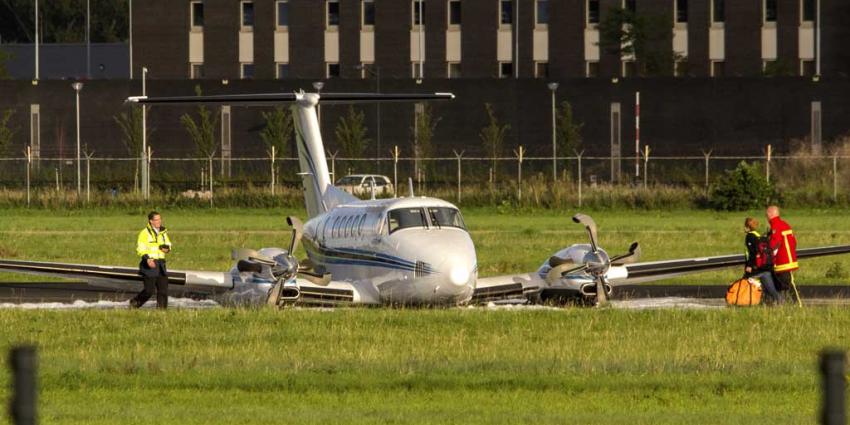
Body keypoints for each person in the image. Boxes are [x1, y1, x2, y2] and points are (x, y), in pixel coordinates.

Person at [131, 211, 172, 309]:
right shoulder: (144, 233)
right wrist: (147, 259)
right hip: (149, 264)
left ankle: (161, 312)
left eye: (160, 219)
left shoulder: (163, 232)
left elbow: (169, 244)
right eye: (156, 220)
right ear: (151, 221)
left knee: (163, 291)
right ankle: (134, 303)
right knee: (149, 291)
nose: (159, 221)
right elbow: (140, 248)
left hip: (161, 264)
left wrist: (167, 248)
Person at [765, 205, 799, 305]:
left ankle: (796, 304)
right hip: (788, 259)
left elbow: (774, 243)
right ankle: (785, 304)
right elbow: (794, 242)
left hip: (782, 261)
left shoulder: (776, 225)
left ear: (771, 214)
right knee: (782, 284)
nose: (766, 217)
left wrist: (766, 252)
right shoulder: (784, 224)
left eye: (767, 215)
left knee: (787, 284)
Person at [743, 217, 780, 305]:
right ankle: (779, 303)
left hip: (756, 268)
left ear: (747, 226)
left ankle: (746, 302)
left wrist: (749, 266)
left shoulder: (750, 236)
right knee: (771, 290)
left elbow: (752, 253)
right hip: (765, 267)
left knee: (745, 284)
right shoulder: (758, 235)